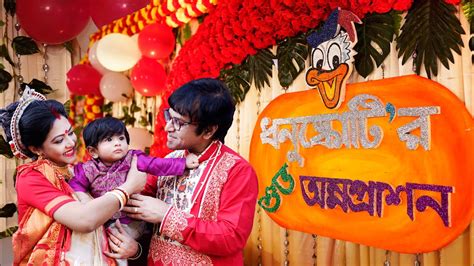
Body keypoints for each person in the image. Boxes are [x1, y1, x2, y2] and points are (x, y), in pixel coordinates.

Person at [121, 78, 259, 265]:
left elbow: (231, 237)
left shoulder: (237, 170)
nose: (168, 127)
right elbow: (135, 200)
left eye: (178, 122)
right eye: (169, 117)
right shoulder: (169, 161)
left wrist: (166, 215)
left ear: (208, 131)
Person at [0, 88, 144, 265]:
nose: (70, 143)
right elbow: (85, 220)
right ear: (35, 149)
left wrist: (134, 250)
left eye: (70, 133)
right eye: (59, 140)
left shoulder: (78, 170)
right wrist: (129, 186)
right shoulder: (31, 177)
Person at [69, 117, 198, 240]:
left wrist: (183, 163)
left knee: (117, 244)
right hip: (102, 218)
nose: (117, 143)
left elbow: (158, 164)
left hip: (130, 221)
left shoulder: (134, 159)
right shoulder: (87, 169)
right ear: (93, 152)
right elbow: (76, 184)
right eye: (109, 140)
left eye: (121, 138)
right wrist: (85, 201)